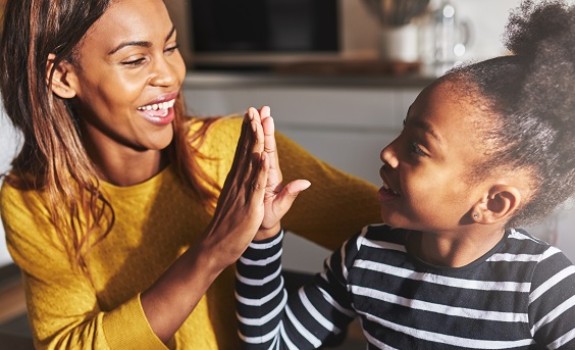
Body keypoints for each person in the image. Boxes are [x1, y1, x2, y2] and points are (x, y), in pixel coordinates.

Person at [0, 0, 381, 349]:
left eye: (170, 47)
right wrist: (212, 252)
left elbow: (398, 225)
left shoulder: (236, 148)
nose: (169, 75)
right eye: (135, 60)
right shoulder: (32, 199)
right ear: (62, 77)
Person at [236, 1, 575, 349]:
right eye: (403, 132)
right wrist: (262, 236)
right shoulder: (364, 254)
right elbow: (273, 344)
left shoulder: (544, 284)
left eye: (417, 147)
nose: (387, 151)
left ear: (493, 202)